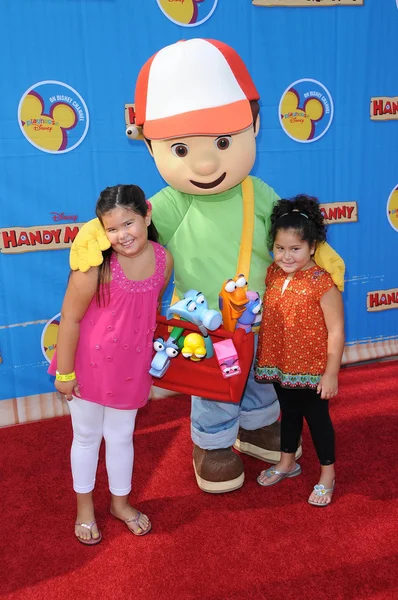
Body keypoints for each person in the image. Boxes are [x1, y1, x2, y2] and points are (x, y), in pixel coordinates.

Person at [68, 39, 345, 494]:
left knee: (260, 376)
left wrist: (323, 253)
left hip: (261, 316)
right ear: (153, 147)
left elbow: (291, 232)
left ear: (252, 125)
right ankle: (212, 443)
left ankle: (256, 428)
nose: (205, 162)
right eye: (180, 148)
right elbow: (132, 228)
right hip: (206, 324)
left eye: (221, 141)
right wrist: (93, 236)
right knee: (214, 386)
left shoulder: (257, 192)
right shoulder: (174, 203)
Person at [50, 184, 173, 543]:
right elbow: (70, 320)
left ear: (147, 215)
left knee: (121, 437)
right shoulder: (95, 266)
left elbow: (151, 310)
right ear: (101, 230)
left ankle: (120, 503)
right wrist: (65, 372)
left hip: (131, 366)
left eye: (129, 223)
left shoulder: (164, 259)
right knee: (86, 437)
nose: (122, 235)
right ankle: (84, 510)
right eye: (112, 229)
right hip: (86, 366)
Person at [255, 195, 345, 506]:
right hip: (281, 363)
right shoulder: (273, 273)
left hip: (313, 367)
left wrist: (331, 372)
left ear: (312, 247)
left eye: (295, 249)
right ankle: (287, 462)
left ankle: (327, 474)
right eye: (280, 248)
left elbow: (336, 331)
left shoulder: (323, 283)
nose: (286, 255)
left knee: (317, 420)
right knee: (289, 413)